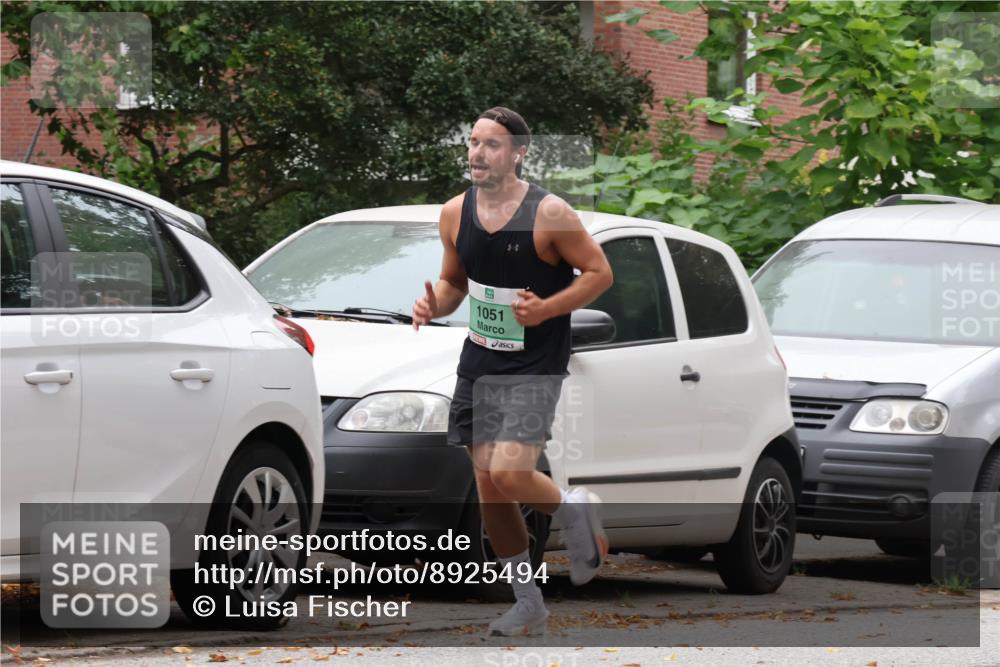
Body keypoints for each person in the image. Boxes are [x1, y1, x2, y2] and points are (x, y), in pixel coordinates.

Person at [412, 106, 614, 637]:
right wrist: (437, 305)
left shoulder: (549, 214)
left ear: (519, 153)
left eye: (492, 144)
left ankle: (574, 509)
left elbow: (600, 273)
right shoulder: (455, 212)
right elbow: (455, 281)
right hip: (481, 358)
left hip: (534, 362)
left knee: (508, 472)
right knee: (489, 487)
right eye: (474, 143)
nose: (478, 153)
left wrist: (547, 309)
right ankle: (529, 603)